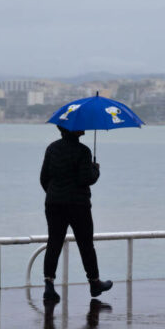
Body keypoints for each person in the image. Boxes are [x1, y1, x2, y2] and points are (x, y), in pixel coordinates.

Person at [40, 125, 113, 303]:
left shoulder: (52, 148)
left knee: (54, 242)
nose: (84, 128)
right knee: (85, 244)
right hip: (78, 205)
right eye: (80, 127)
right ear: (73, 130)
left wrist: (53, 193)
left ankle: (49, 286)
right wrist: (95, 169)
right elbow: (85, 179)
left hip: (54, 204)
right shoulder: (83, 151)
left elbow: (44, 177)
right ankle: (94, 283)